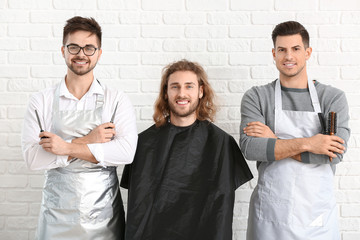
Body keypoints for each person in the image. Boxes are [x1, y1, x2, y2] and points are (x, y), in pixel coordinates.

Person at [21, 16, 138, 240]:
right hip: (56, 216)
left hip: (103, 215)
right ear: (63, 50)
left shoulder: (116, 100)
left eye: (89, 48)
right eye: (74, 47)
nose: (81, 54)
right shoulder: (41, 102)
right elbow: (32, 158)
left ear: (99, 53)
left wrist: (63, 147)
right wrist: (89, 140)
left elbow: (125, 152)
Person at [241, 21, 351, 240]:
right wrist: (311, 143)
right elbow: (251, 148)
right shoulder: (257, 97)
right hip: (271, 216)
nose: (288, 56)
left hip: (317, 217)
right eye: (282, 50)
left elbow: (334, 154)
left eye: (295, 49)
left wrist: (274, 141)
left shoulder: (332, 98)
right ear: (273, 53)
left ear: (308, 52)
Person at [120, 59, 253, 240]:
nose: (182, 93)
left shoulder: (222, 144)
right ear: (166, 93)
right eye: (175, 87)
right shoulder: (143, 144)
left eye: (189, 86)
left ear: (200, 91)